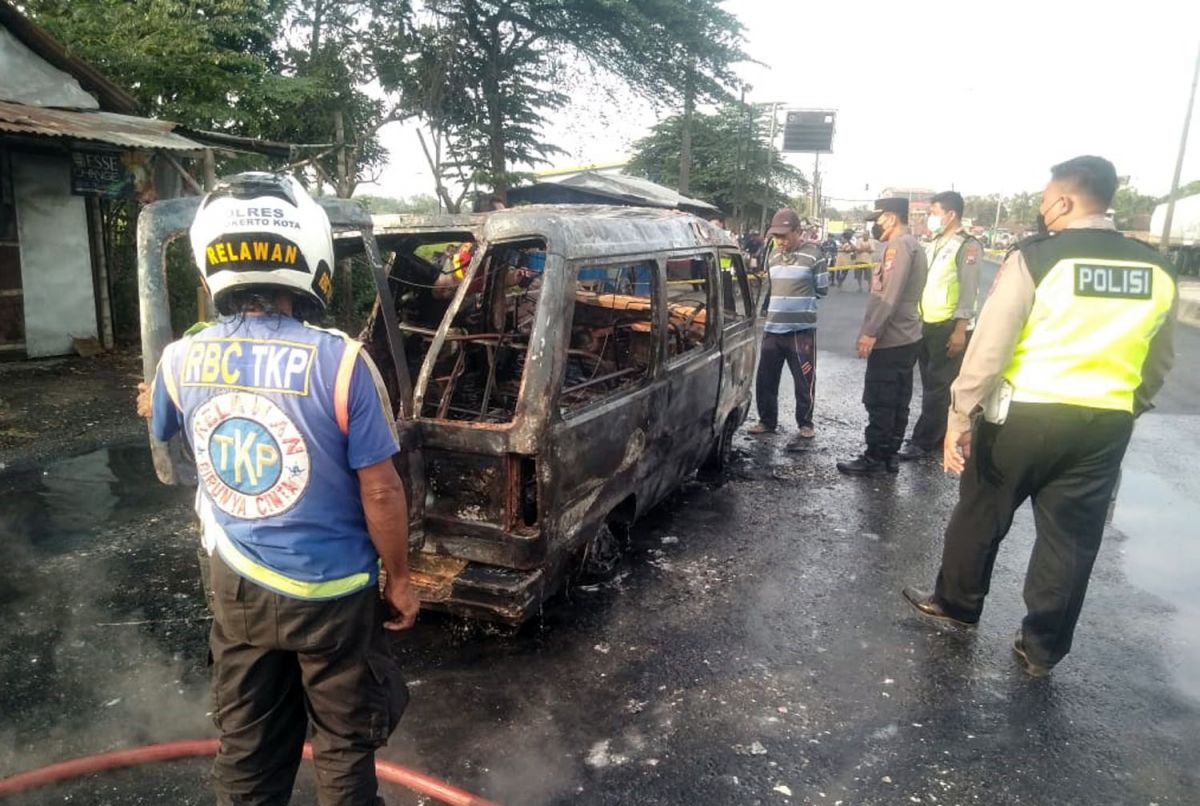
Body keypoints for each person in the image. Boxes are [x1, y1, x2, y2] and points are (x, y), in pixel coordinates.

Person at [136, 172, 419, 804]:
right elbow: (381, 491)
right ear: (309, 256)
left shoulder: (180, 360)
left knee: (249, 749)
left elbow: (158, 419)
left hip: (236, 588)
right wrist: (398, 580)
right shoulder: (342, 361)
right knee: (344, 747)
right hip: (335, 596)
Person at [901, 156, 1177, 676]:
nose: (1044, 208)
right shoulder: (1154, 269)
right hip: (1104, 423)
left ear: (1067, 201)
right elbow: (1159, 360)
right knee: (1071, 539)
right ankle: (1042, 648)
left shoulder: (1041, 258)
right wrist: (1128, 405)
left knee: (981, 511)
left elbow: (992, 343)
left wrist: (960, 413)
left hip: (1024, 415)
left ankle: (958, 605)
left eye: (1047, 199)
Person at [837, 198, 928, 475]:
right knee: (899, 399)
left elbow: (889, 296)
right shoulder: (913, 244)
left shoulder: (898, 247)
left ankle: (875, 458)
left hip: (891, 337)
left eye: (877, 220)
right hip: (907, 335)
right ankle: (889, 456)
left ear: (890, 217)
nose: (874, 226)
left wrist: (870, 333)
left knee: (881, 399)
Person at [897, 191, 982, 460]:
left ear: (950, 214)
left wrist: (960, 329)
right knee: (931, 383)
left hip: (948, 325)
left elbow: (968, 291)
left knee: (938, 386)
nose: (930, 219)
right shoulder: (934, 243)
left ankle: (922, 442)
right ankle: (936, 435)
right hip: (927, 322)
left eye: (933, 213)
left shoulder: (967, 246)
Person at [748, 209, 829, 447]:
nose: (780, 241)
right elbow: (771, 287)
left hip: (801, 330)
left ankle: (805, 423)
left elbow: (822, 289)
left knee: (804, 379)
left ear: (798, 232)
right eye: (777, 236)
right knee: (765, 379)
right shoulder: (771, 255)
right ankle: (766, 421)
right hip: (773, 328)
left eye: (785, 236)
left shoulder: (815, 256)